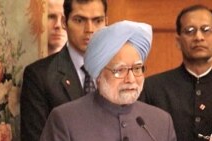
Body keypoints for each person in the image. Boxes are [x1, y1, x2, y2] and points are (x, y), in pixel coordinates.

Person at [40, 20, 177, 141]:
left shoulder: (162, 122)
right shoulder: (64, 119)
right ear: (99, 75)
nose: (130, 79)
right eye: (120, 70)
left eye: (137, 68)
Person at [139, 4, 212, 141]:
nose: (198, 37)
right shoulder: (152, 88)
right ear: (178, 41)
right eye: (190, 30)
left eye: (206, 30)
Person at [20, 0, 108, 141]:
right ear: (64, 22)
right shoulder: (39, 76)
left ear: (106, 23)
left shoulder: (120, 71)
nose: (90, 29)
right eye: (79, 20)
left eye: (98, 21)